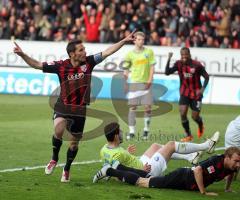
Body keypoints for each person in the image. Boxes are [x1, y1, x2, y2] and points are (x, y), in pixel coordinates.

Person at [13, 31, 135, 182]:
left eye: (84, 49)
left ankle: (67, 168)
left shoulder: (89, 62)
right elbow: (37, 65)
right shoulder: (61, 66)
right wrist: (22, 54)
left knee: (74, 143)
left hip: (80, 110)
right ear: (72, 54)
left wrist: (124, 40)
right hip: (63, 106)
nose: (85, 52)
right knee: (58, 129)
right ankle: (54, 158)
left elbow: (108, 51)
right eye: (81, 50)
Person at [94, 146, 240, 196]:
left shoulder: (230, 166)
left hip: (183, 180)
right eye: (236, 161)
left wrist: (227, 189)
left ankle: (119, 167)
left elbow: (231, 173)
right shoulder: (216, 161)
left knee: (148, 176)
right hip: (182, 178)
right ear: (227, 157)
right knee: (142, 182)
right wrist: (204, 192)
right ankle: (110, 171)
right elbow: (198, 170)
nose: (238, 164)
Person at [100, 122, 219, 176]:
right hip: (146, 171)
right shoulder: (118, 154)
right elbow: (120, 173)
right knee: (170, 145)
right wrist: (142, 171)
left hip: (140, 162)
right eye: (120, 132)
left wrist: (127, 154)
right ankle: (206, 146)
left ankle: (191, 156)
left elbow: (110, 166)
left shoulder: (104, 149)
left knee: (156, 146)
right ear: (116, 136)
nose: (122, 133)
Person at [165, 47, 209, 142]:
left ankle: (200, 124)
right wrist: (168, 59)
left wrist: (202, 89)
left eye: (186, 55)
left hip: (196, 94)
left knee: (195, 116)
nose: (184, 57)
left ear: (189, 55)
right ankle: (188, 135)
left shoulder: (197, 65)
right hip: (184, 92)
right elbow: (167, 72)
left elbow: (206, 77)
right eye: (182, 55)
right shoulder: (179, 64)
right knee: (183, 113)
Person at [124, 31, 156, 140]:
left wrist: (150, 80)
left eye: (142, 39)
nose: (141, 41)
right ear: (134, 40)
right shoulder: (130, 54)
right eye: (139, 39)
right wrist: (125, 79)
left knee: (147, 107)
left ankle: (146, 130)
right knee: (133, 107)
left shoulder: (149, 52)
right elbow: (126, 69)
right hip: (134, 83)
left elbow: (152, 67)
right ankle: (131, 132)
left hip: (146, 83)